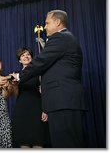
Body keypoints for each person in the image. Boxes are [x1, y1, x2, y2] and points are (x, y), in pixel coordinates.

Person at [11, 10, 87, 148]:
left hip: (64, 101)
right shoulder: (66, 38)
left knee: (67, 144)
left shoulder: (60, 38)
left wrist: (18, 76)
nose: (44, 27)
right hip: (62, 102)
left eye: (47, 23)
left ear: (57, 22)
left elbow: (41, 60)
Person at [12, 47, 49, 148]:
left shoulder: (40, 73)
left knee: (38, 142)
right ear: (19, 60)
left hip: (37, 109)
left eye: (28, 54)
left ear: (32, 58)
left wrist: (45, 110)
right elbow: (16, 95)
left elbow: (45, 92)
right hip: (22, 110)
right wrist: (15, 85)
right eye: (23, 55)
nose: (26, 56)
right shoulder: (16, 75)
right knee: (24, 144)